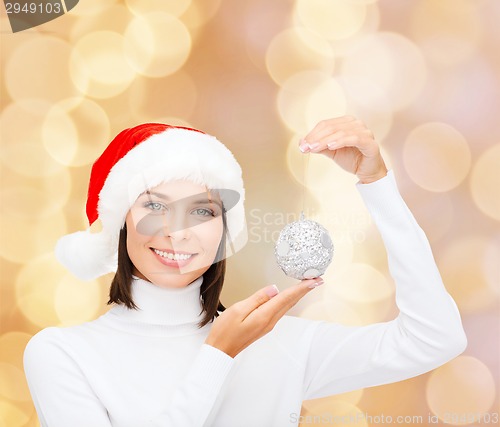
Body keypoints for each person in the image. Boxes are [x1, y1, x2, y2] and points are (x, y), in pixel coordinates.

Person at [23, 116, 467, 427]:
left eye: (201, 210)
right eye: (155, 206)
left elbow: (435, 338)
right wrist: (218, 355)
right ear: (120, 220)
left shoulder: (280, 345)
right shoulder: (63, 354)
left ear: (223, 232)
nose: (178, 233)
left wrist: (377, 185)